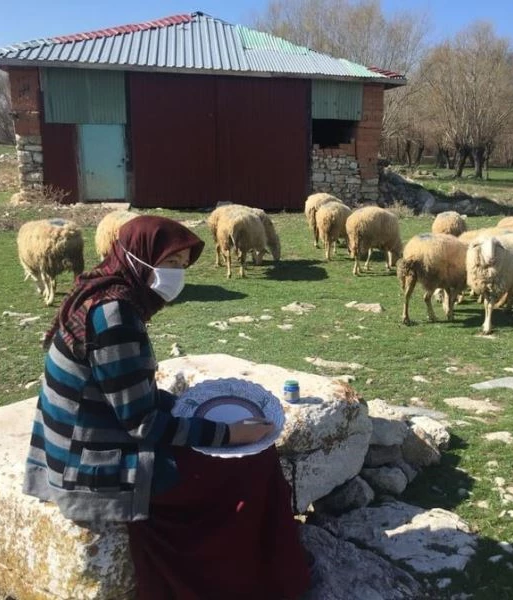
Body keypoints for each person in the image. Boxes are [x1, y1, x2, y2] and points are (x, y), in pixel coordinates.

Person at [24, 215, 311, 599]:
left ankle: (266, 562)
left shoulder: (102, 293)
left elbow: (125, 393)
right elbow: (142, 422)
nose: (175, 274)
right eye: (167, 263)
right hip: (95, 465)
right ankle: (252, 577)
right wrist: (227, 433)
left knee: (232, 453)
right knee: (249, 461)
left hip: (86, 444)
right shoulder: (114, 317)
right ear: (137, 258)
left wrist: (189, 409)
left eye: (180, 265)